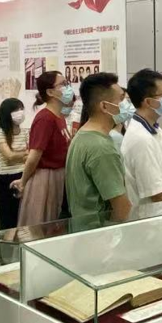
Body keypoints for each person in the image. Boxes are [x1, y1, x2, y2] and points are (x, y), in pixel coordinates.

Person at [65, 72, 132, 221]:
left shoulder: (82, 135)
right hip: (100, 230)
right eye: (121, 99)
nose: (127, 104)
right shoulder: (101, 147)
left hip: (84, 226)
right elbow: (121, 208)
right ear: (104, 106)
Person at [14, 71, 73, 226]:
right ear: (50, 92)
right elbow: (34, 155)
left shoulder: (59, 116)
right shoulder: (45, 118)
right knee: (44, 225)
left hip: (60, 175)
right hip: (47, 179)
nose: (68, 87)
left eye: (67, 83)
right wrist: (23, 181)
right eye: (63, 84)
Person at [122, 69, 162, 206]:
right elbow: (157, 193)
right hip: (155, 215)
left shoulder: (155, 129)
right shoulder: (140, 138)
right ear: (148, 102)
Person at [0, 98, 28, 230]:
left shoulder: (24, 132)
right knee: (8, 223)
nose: (20, 112)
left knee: (23, 220)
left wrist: (20, 154)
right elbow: (9, 156)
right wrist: (24, 154)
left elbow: (30, 155)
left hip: (24, 176)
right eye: (16, 110)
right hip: (6, 179)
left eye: (21, 109)